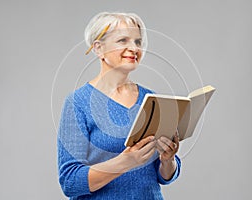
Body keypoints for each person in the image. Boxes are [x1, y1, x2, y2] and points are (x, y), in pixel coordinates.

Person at [57, 12, 181, 200]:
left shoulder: (150, 98)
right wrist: (125, 162)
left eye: (138, 42)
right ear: (99, 49)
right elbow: (71, 182)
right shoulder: (78, 102)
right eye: (123, 40)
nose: (133, 48)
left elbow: (164, 176)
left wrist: (168, 160)